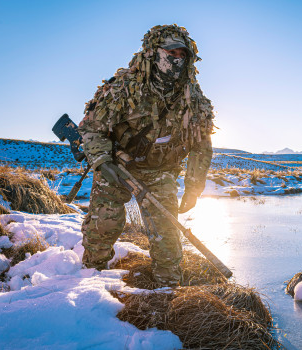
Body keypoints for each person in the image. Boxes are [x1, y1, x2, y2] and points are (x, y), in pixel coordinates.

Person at [78, 24, 214, 286]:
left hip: (160, 171)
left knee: (167, 233)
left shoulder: (193, 99)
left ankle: (168, 291)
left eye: (182, 55)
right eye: (171, 52)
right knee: (103, 224)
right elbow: (93, 129)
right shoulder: (123, 88)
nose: (176, 59)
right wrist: (103, 161)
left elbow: (201, 147)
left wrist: (193, 188)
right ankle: (90, 279)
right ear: (153, 53)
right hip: (118, 166)